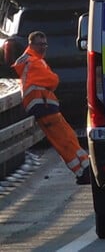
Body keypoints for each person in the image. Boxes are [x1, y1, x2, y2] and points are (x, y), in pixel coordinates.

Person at [13, 31, 90, 184]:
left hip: (42, 106)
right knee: (65, 139)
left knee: (65, 138)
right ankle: (84, 170)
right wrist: (52, 78)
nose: (43, 48)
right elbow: (53, 80)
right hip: (44, 105)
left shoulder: (28, 60)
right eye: (40, 44)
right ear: (31, 45)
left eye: (45, 44)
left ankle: (83, 169)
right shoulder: (34, 62)